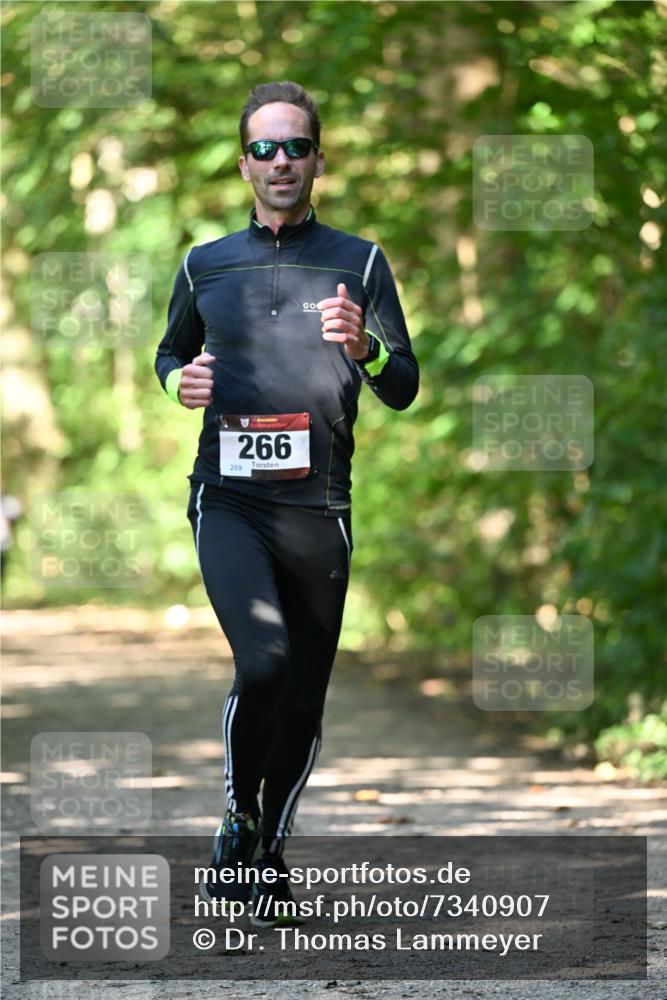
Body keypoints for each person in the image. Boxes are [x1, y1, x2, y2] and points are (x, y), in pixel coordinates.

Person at [155, 81, 418, 927]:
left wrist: (366, 348)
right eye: (263, 149)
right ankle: (235, 820)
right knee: (262, 660)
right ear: (242, 164)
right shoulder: (205, 263)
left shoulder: (360, 262)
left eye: (293, 148)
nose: (279, 162)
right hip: (228, 498)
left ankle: (269, 844)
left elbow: (404, 386)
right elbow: (169, 352)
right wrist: (177, 381)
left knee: (303, 694)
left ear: (317, 161)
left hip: (320, 506)